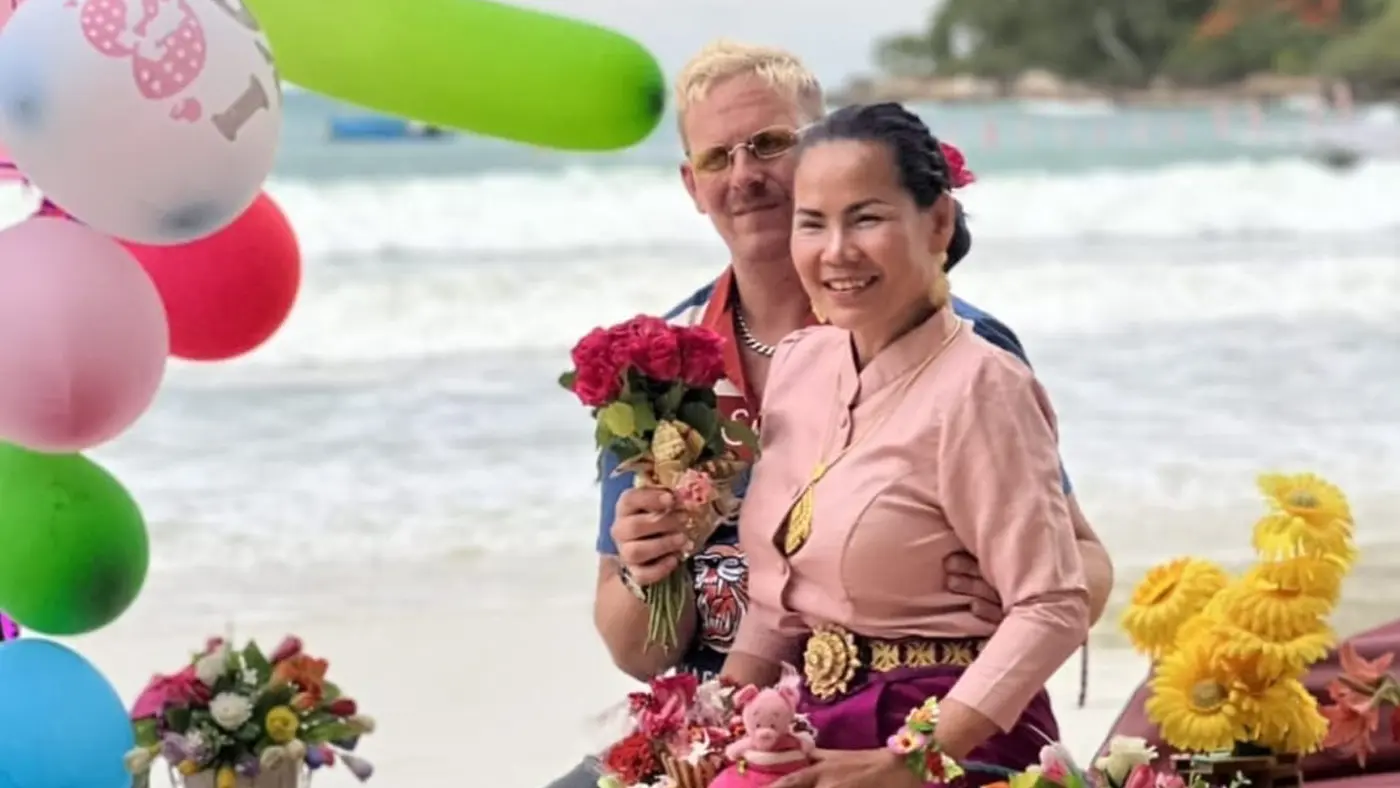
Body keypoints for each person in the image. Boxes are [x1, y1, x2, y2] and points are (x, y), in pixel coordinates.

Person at [544, 41, 1113, 788]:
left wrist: (966, 614)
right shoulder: (658, 369)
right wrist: (653, 576)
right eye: (718, 158)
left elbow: (1069, 579)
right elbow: (642, 648)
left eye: (771, 144)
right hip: (752, 708)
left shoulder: (974, 363)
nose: (745, 175)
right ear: (693, 184)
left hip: (931, 713)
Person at [722, 101, 1090, 788]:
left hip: (956, 739)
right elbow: (780, 604)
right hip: (811, 724)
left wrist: (912, 760)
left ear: (939, 223)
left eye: (866, 218)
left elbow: (1052, 604)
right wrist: (709, 722)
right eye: (812, 223)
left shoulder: (983, 385)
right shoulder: (801, 363)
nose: (836, 251)